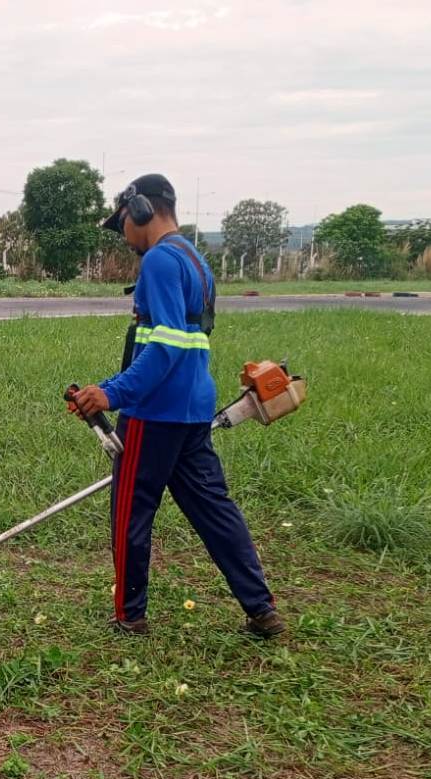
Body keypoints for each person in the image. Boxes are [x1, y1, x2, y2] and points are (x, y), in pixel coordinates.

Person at [69, 174, 286, 638]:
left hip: (153, 413)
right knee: (215, 511)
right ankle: (261, 607)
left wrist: (111, 393)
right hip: (192, 411)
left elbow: (165, 346)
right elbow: (181, 341)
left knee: (131, 512)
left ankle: (130, 616)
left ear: (140, 210)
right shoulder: (197, 262)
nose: (123, 235)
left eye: (122, 223)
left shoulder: (159, 261)